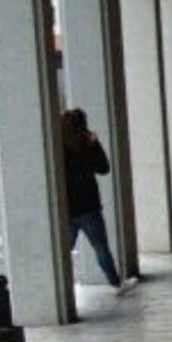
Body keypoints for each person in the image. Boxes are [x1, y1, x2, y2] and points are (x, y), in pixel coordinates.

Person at [59, 109, 135, 295]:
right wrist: (94, 145)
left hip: (66, 206)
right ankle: (116, 283)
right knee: (100, 246)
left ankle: (57, 286)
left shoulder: (58, 146)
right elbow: (104, 168)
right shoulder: (87, 143)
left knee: (63, 250)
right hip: (88, 204)